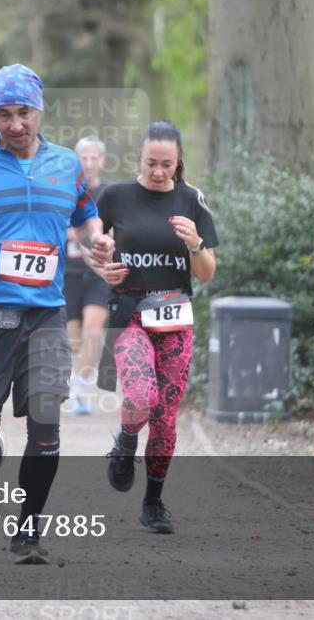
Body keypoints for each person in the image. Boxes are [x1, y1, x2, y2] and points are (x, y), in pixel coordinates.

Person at [0, 64, 114, 564]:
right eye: (4, 114)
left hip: (44, 317)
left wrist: (97, 241)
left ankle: (28, 531)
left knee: (48, 424)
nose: (14, 124)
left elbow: (85, 215)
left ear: (39, 110)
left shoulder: (66, 165)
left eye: (23, 112)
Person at [96, 120, 217, 534]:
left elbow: (206, 273)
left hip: (176, 320)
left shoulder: (192, 200)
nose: (159, 171)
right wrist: (103, 266)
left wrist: (194, 244)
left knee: (166, 418)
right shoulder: (114, 196)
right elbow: (93, 247)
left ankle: (153, 503)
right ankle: (126, 441)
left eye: (167, 164)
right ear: (139, 158)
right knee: (141, 395)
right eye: (151, 163)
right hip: (130, 315)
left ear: (179, 160)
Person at [63, 136, 112, 416]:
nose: (90, 163)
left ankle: (79, 392)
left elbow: (116, 229)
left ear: (102, 161)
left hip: (97, 273)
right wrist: (81, 233)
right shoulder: (64, 191)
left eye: (95, 158)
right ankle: (71, 381)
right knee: (74, 341)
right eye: (85, 158)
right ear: (76, 162)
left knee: (93, 333)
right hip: (68, 273)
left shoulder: (109, 195)